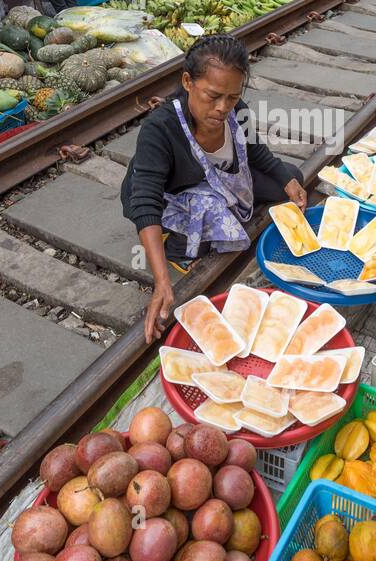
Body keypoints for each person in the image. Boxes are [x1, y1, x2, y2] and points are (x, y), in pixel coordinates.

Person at [121, 35, 308, 338]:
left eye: (231, 98)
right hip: (175, 197)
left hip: (216, 182)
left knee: (290, 174)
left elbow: (256, 150)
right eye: (212, 96)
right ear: (187, 82)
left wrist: (287, 182)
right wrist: (161, 281)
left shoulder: (237, 109)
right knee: (207, 226)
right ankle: (175, 247)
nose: (222, 108)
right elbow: (145, 199)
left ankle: (222, 215)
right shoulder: (161, 127)